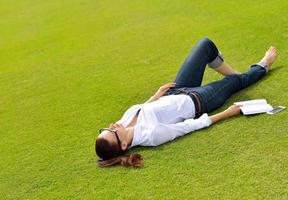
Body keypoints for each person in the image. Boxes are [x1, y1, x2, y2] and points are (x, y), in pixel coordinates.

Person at [95, 37, 278, 168]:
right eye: (112, 131)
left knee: (205, 45)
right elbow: (188, 127)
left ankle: (241, 78)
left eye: (105, 129)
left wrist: (155, 96)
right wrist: (227, 113)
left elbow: (142, 109)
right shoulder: (151, 135)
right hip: (199, 100)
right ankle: (263, 66)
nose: (112, 125)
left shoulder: (123, 124)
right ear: (124, 145)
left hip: (176, 90)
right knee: (234, 83)